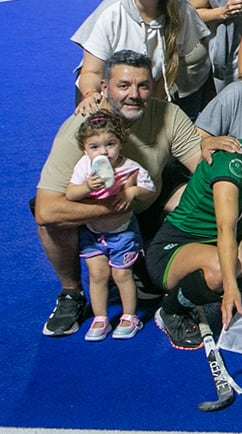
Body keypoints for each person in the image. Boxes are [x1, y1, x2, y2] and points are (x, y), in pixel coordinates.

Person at [36, 51, 231, 338]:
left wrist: (216, 156)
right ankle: (72, 293)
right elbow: (46, 209)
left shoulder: (166, 113)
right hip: (98, 213)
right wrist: (116, 210)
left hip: (147, 199)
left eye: (143, 85)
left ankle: (156, 260)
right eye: (124, 85)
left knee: (203, 195)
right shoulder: (79, 130)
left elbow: (203, 173)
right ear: (104, 88)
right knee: (52, 222)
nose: (134, 94)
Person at [146, 88, 242, 350]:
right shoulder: (233, 159)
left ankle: (238, 288)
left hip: (221, 245)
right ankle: (170, 311)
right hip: (176, 248)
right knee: (219, 271)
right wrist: (229, 285)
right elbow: (225, 227)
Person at [73, 0, 212, 117]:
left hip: (144, 93)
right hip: (103, 94)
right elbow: (92, 71)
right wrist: (91, 95)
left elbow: (173, 63)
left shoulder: (180, 10)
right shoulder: (111, 11)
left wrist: (154, 103)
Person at [66, 109, 155, 340]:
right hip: (93, 234)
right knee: (97, 274)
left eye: (110, 144)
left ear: (121, 142)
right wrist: (87, 187)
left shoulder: (130, 167)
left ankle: (129, 316)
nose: (104, 151)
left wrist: (133, 191)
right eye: (94, 147)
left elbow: (149, 190)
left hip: (122, 233)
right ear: (85, 149)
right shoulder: (85, 166)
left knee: (122, 275)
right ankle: (100, 318)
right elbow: (71, 193)